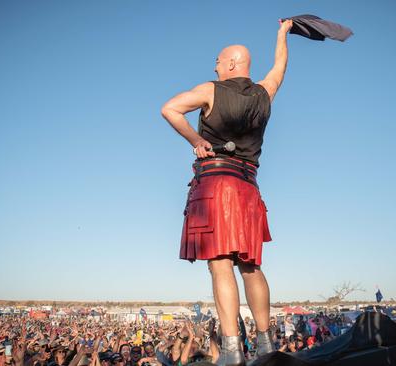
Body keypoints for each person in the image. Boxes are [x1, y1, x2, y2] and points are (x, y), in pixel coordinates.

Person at [161, 19, 293, 365]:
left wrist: (197, 140)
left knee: (221, 266)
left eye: (219, 60)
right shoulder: (265, 93)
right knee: (251, 266)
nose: (215, 65)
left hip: (217, 185)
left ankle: (232, 350)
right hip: (249, 187)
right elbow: (279, 66)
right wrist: (282, 34)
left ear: (232, 63)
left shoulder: (210, 89)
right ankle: (266, 346)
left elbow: (169, 109)